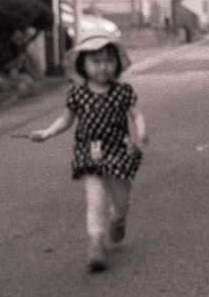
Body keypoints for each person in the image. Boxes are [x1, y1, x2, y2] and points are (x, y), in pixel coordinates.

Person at [30, 32, 148, 272]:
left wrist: (142, 130)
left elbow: (136, 114)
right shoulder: (77, 94)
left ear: (117, 64)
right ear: (83, 65)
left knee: (122, 202)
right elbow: (65, 120)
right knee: (95, 201)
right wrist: (47, 132)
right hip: (89, 156)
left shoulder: (123, 91)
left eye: (108, 61)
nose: (102, 67)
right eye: (95, 61)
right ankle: (96, 242)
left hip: (119, 154)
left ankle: (119, 219)